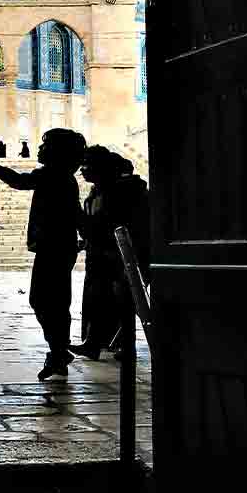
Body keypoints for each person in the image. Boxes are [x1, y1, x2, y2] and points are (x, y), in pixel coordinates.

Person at [0, 128, 85, 380]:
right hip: (60, 247)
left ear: (56, 152)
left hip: (53, 247)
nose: (39, 149)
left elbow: (19, 181)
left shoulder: (52, 175)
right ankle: (58, 350)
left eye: (45, 146)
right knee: (55, 302)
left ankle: (58, 351)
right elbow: (76, 213)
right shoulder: (65, 178)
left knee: (44, 301)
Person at [71, 147, 151, 362]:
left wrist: (79, 219)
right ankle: (95, 343)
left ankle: (123, 345)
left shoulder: (121, 193)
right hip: (102, 255)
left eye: (88, 165)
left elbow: (108, 225)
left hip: (119, 257)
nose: (83, 170)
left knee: (123, 301)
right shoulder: (101, 190)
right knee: (102, 301)